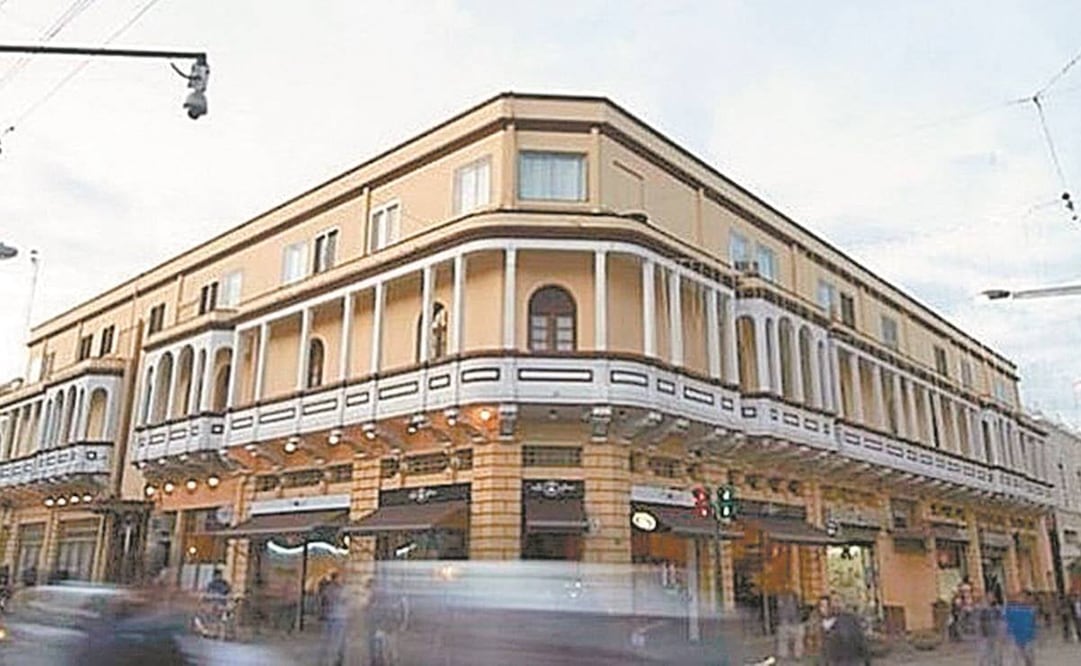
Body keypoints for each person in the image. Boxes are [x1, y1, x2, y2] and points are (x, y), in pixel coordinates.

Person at [821, 597, 870, 666]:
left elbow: (861, 641)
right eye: (822, 606)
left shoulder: (849, 621)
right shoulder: (817, 625)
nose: (825, 609)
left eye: (827, 606)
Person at [1003, 591, 1038, 666]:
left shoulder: (1031, 610)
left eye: (1025, 597)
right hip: (1015, 637)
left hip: (1028, 637)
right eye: (1021, 597)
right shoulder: (1012, 609)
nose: (1022, 599)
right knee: (1015, 658)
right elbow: (1006, 618)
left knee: (1029, 658)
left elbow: (1033, 623)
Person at [774, 587, 805, 660]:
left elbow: (801, 610)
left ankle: (798, 654)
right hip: (785, 622)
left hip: (796, 621)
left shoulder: (797, 597)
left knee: (799, 633)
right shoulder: (780, 597)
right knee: (782, 633)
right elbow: (779, 612)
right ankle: (783, 654)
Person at [975, 593, 1003, 666]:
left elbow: (1001, 619)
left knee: (996, 652)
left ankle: (997, 663)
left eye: (992, 597)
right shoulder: (983, 609)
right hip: (986, 634)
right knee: (984, 652)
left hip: (995, 633)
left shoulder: (997, 608)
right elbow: (979, 620)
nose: (990, 599)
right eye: (988, 598)